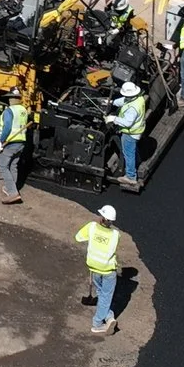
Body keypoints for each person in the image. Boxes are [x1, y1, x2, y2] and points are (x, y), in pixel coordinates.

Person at [77, 204, 122, 334]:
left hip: (95, 269)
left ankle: (104, 319)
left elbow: (78, 237)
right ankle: (102, 320)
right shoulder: (115, 235)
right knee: (106, 296)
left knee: (102, 294)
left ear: (101, 217)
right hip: (108, 270)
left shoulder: (91, 227)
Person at [0, 94, 31, 204]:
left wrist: (0, 141)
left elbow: (7, 127)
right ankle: (10, 187)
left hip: (9, 143)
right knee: (13, 165)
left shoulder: (9, 111)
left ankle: (13, 193)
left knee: (2, 167)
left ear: (10, 100)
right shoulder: (23, 110)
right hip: (20, 143)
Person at [113, 80, 148, 188]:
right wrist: (111, 102)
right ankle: (137, 161)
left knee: (128, 153)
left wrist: (113, 118)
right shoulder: (139, 98)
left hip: (130, 133)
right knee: (132, 149)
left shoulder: (132, 109)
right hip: (137, 131)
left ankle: (131, 177)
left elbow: (127, 122)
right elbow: (124, 101)